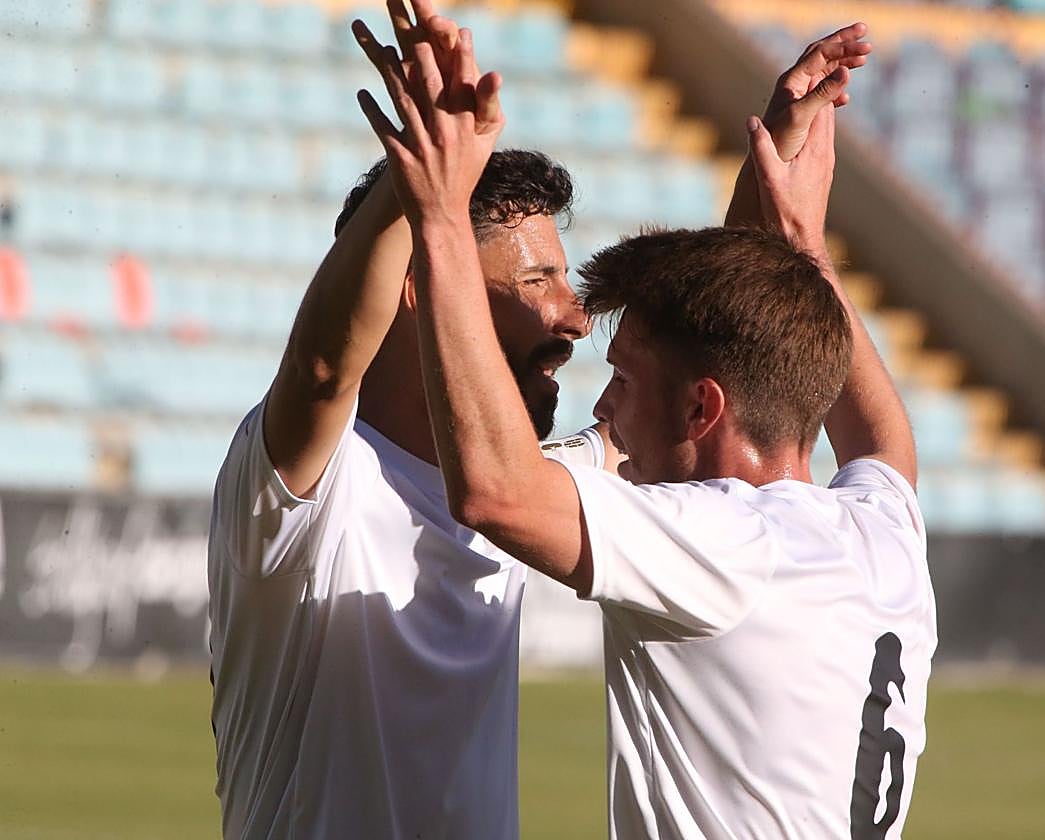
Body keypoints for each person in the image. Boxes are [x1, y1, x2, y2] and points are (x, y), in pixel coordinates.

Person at [208, 0, 874, 834]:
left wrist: (769, 200)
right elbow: (319, 367)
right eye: (536, 284)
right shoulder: (309, 484)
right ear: (425, 284)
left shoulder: (530, 479)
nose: (573, 316)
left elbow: (716, 370)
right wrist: (418, 192)